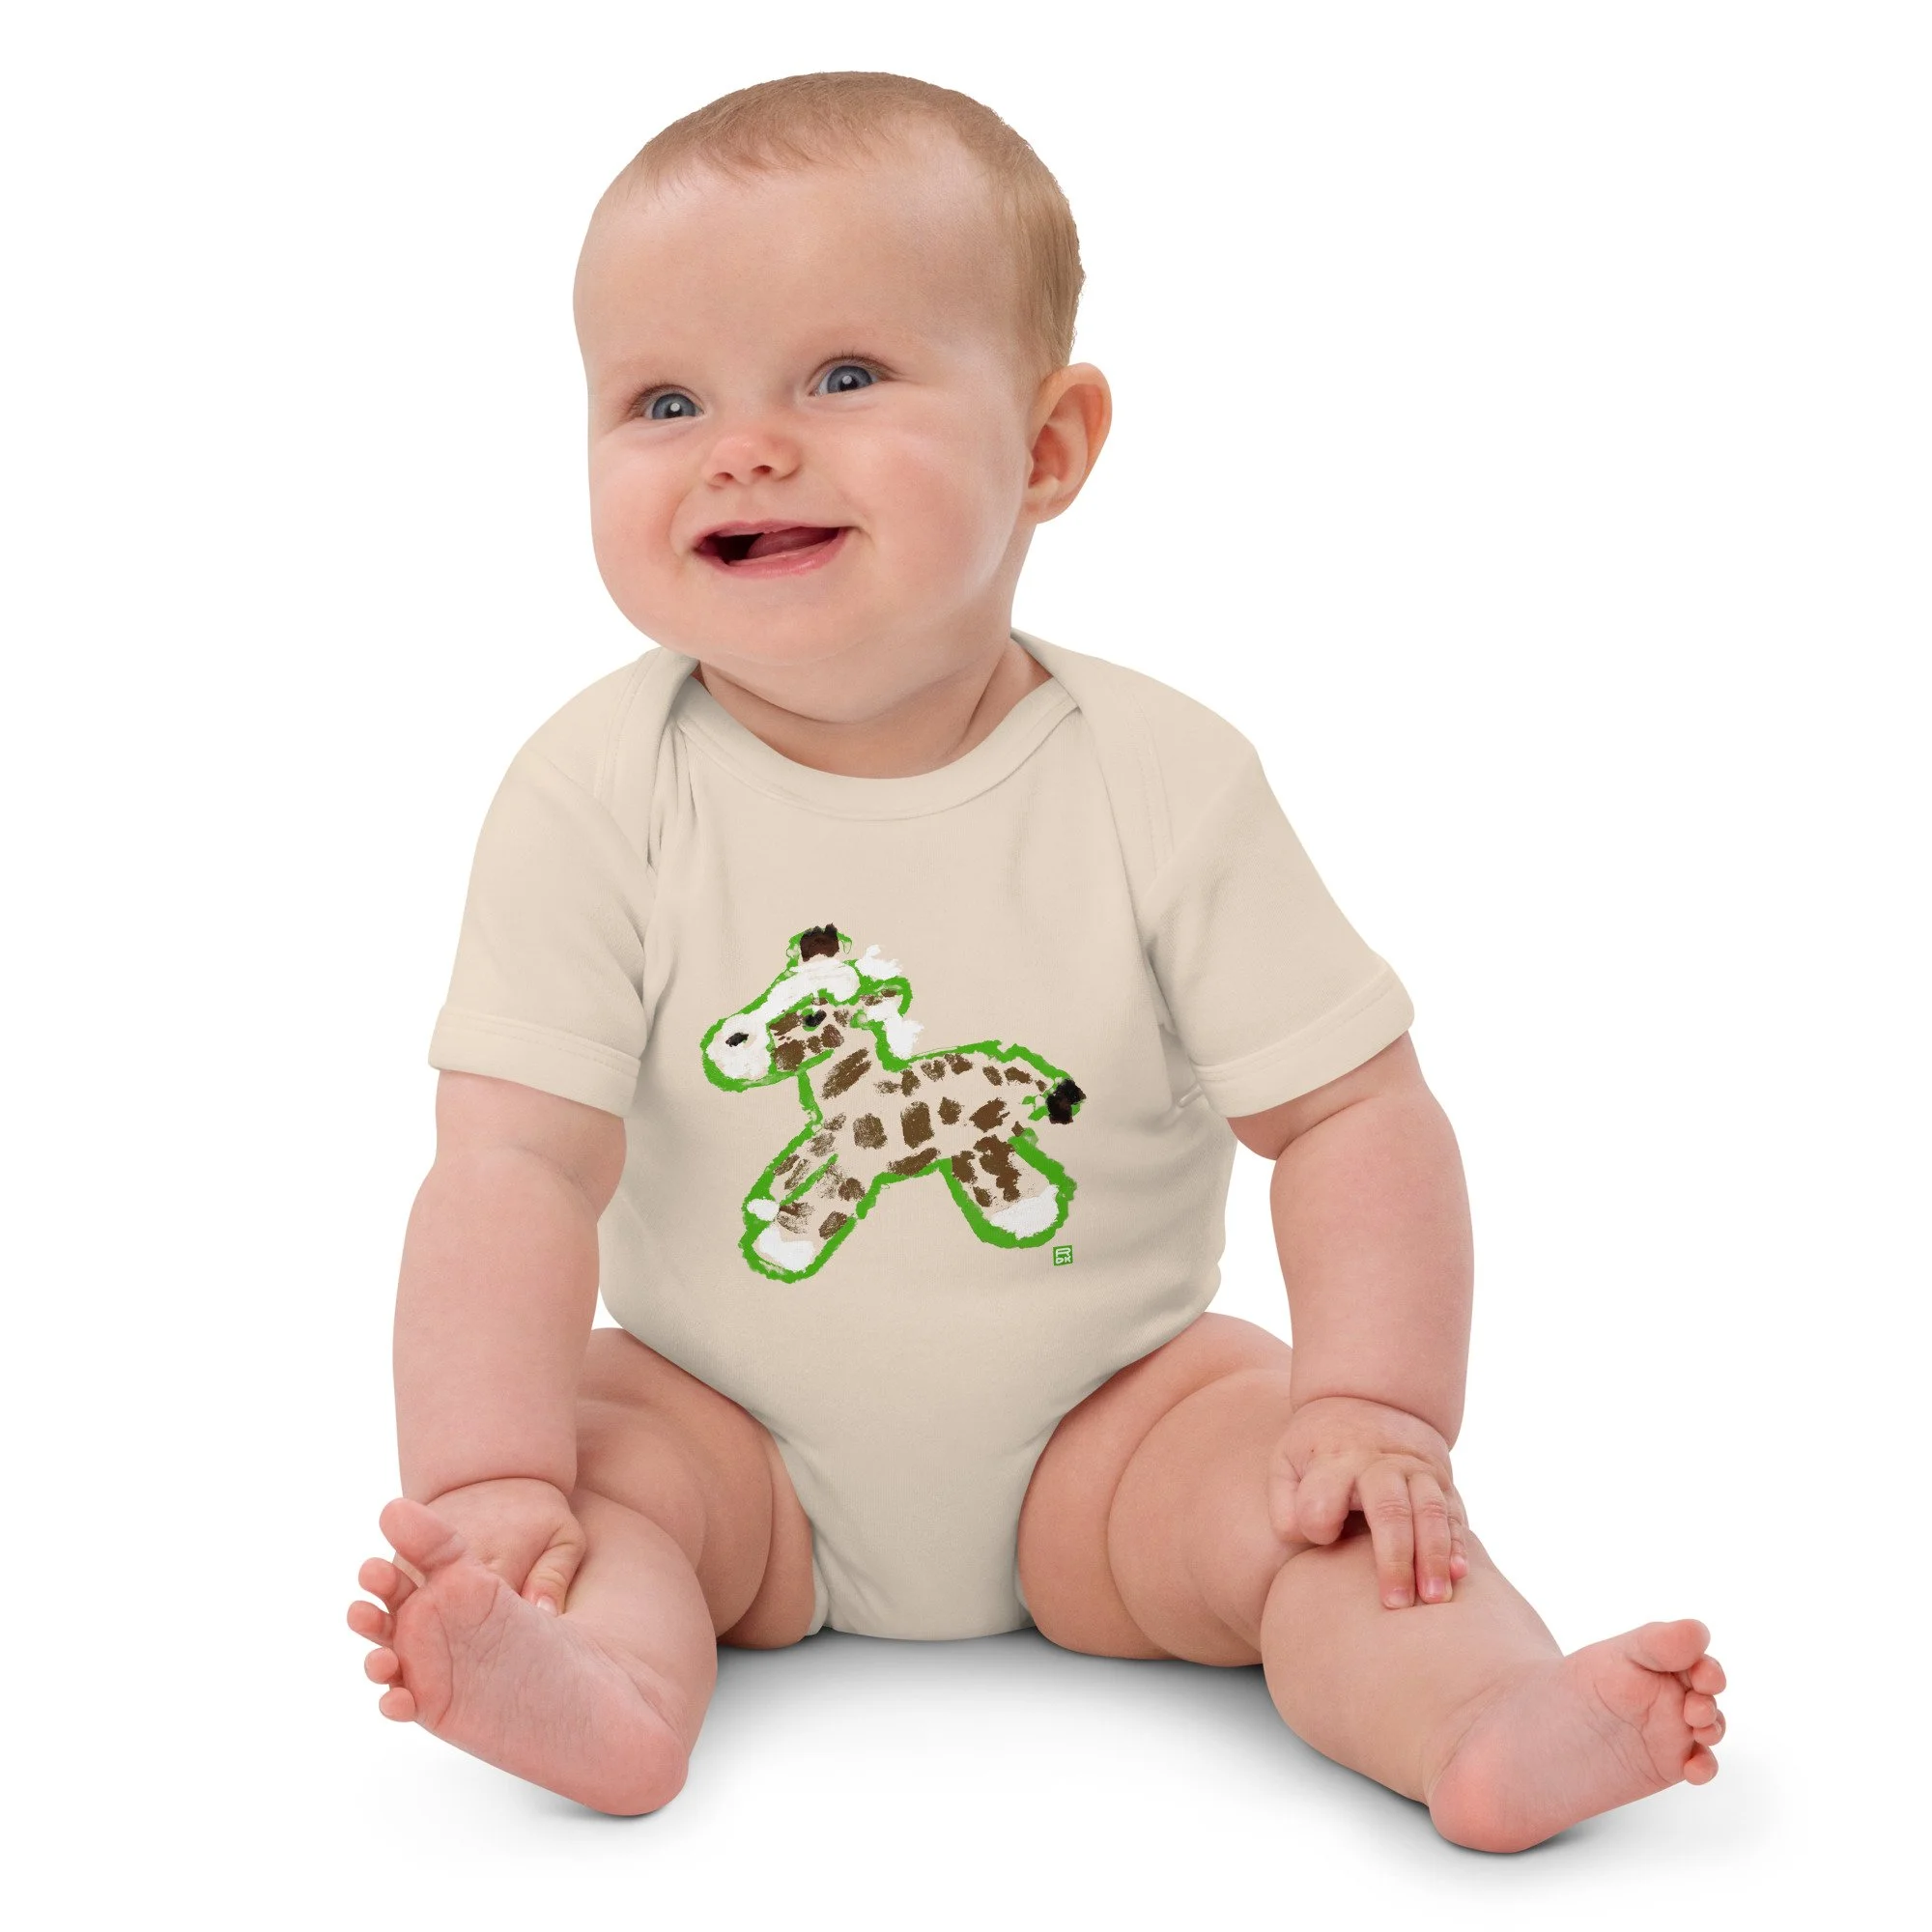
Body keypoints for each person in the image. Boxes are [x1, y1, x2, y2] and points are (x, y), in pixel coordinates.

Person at [347, 71, 1724, 1851]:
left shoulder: (1161, 778)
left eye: (843, 377)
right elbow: (513, 1166)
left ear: (1049, 447)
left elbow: (1350, 1114)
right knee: (598, 1474)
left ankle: (1477, 1717)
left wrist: (1375, 1409)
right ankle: (594, 1684)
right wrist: (491, 1476)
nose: (740, 447)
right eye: (663, 401)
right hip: (724, 1431)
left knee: (1312, 1508)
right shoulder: (595, 791)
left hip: (1113, 1429)